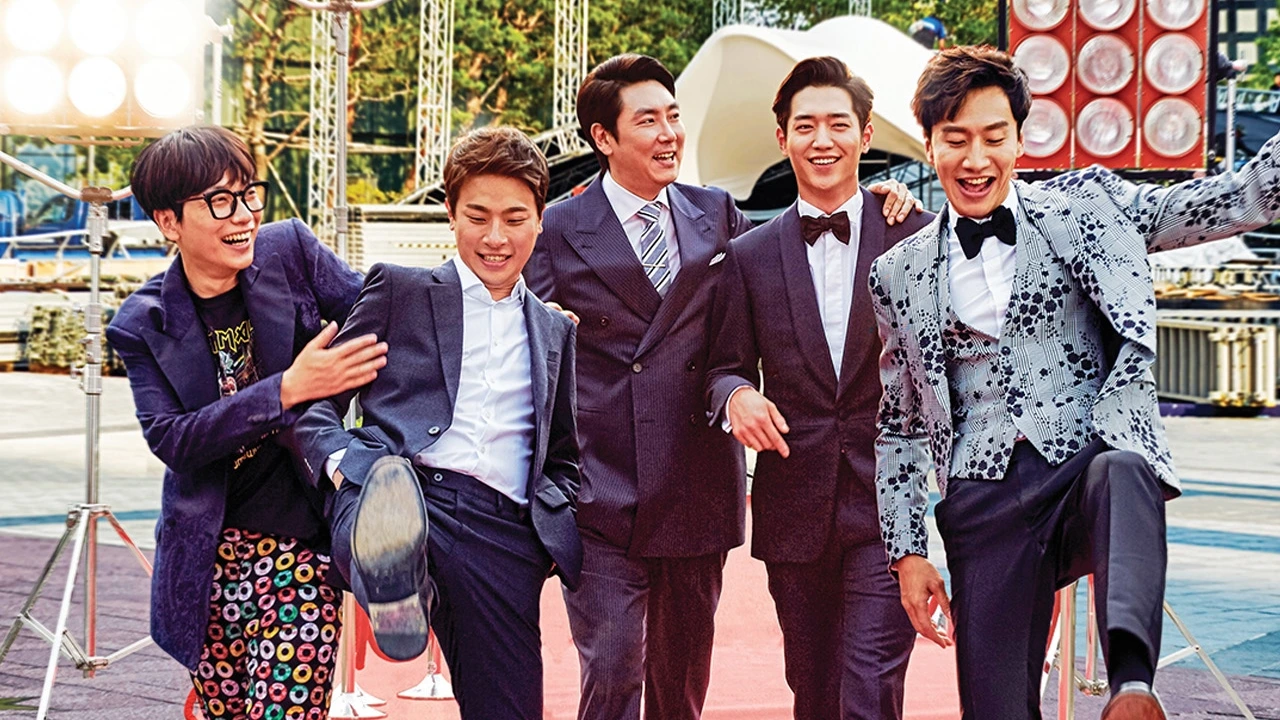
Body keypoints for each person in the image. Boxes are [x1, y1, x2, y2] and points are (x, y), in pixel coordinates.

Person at [870, 45, 1280, 720]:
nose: (976, 159)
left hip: (1081, 466)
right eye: (956, 139)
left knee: (1124, 469)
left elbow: (1226, 201)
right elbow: (899, 425)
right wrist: (907, 551)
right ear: (929, 143)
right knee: (995, 710)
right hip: (983, 502)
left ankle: (1132, 686)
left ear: (1020, 139)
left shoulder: (1087, 207)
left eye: (994, 137)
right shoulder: (897, 272)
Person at [523, 53, 919, 720]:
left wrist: (884, 203)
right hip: (603, 492)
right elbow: (526, 349)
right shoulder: (558, 229)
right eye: (648, 121)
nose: (669, 134)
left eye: (674, 116)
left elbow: (776, 288)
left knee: (680, 687)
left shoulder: (719, 215)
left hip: (696, 489)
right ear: (603, 137)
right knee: (613, 669)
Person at [295, 126, 582, 720]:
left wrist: (544, 538)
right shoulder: (399, 290)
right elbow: (316, 399)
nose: (495, 237)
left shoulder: (555, 330)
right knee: (380, 496)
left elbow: (563, 455)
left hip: (501, 531)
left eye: (514, 218)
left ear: (540, 219)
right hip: (402, 483)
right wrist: (343, 464)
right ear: (450, 214)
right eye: (477, 217)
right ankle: (392, 581)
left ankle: (402, 589)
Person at [106, 126, 384, 720]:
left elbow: (380, 315)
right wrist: (288, 388)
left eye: (248, 193)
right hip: (207, 564)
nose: (243, 215)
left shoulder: (290, 253)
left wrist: (518, 308)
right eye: (219, 201)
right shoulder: (142, 322)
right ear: (169, 221)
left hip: (301, 549)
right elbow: (174, 439)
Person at [705, 57, 931, 720]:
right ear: (783, 139)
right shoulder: (749, 254)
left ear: (866, 135)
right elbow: (722, 367)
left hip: (888, 507)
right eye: (805, 126)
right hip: (793, 509)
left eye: (838, 124)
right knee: (814, 689)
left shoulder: (917, 236)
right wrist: (735, 397)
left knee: (869, 688)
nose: (822, 140)